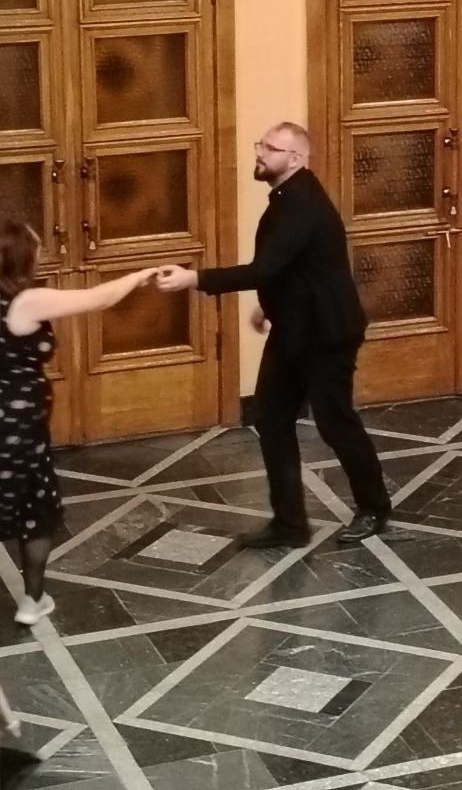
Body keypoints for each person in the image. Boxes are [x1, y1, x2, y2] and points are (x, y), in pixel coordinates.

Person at [156, 122, 391, 546]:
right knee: (271, 419)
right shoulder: (288, 196)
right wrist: (271, 305)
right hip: (295, 326)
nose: (260, 153)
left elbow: (263, 268)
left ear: (295, 158)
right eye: (260, 144)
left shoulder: (302, 204)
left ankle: (374, 507)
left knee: (336, 424)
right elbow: (293, 266)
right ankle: (289, 525)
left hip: (326, 333)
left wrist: (194, 279)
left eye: (271, 148)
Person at [0, 220, 156, 625]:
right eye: (35, 248)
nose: (40, 254)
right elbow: (98, 298)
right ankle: (32, 601)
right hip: (16, 425)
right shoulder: (25, 303)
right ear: (20, 257)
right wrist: (139, 275)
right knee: (33, 506)